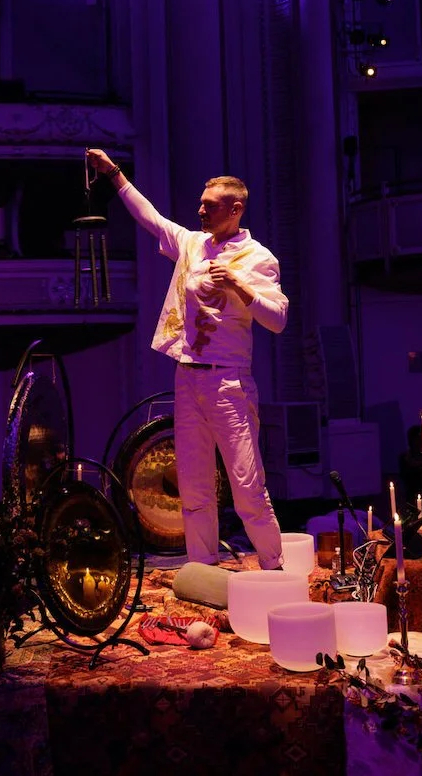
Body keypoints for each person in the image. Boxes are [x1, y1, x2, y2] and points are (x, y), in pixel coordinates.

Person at [86, 148, 288, 570]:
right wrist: (114, 174)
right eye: (200, 203)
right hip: (188, 377)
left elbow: (278, 319)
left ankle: (274, 566)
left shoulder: (258, 259)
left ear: (235, 210)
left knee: (246, 484)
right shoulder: (194, 245)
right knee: (194, 486)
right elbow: (151, 218)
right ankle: (202, 569)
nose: (200, 211)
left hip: (228, 381)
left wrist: (238, 285)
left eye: (209, 206)